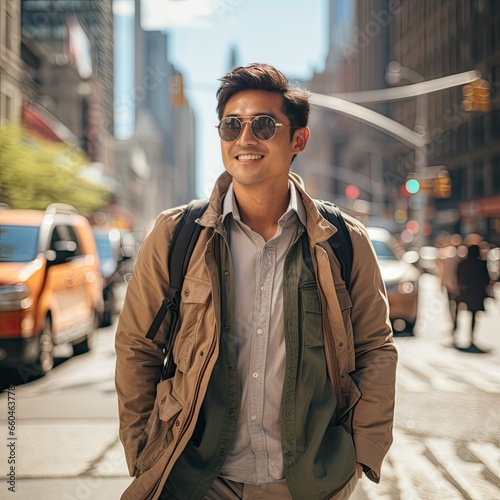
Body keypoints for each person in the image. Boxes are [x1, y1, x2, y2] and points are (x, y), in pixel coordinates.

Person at [115, 63, 397, 500]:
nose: (245, 139)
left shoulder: (344, 241)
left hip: (310, 483)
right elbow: (137, 346)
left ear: (297, 139)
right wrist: (141, 451)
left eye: (264, 125)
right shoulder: (175, 234)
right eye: (232, 125)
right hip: (197, 479)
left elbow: (375, 347)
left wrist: (364, 452)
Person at [455, 243, 491, 348]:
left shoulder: (462, 264)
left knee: (458, 311)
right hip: (477, 293)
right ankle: (470, 336)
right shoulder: (481, 264)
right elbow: (486, 279)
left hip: (465, 291)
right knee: (474, 315)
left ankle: (456, 330)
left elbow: (459, 277)